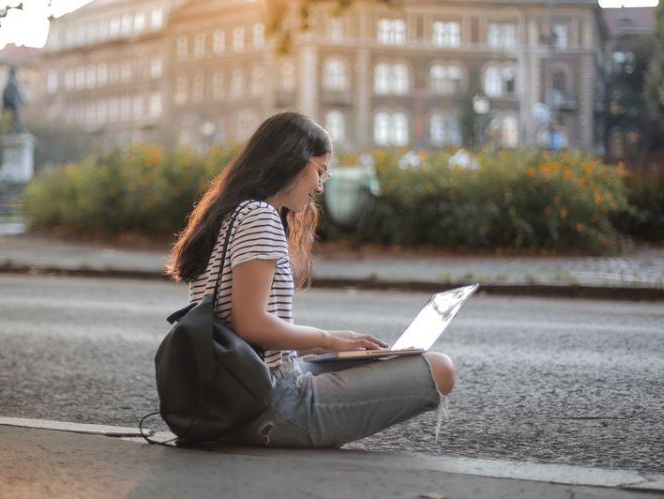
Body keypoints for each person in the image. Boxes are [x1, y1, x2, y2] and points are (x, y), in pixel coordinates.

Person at [166, 111, 455, 447]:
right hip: (265, 406)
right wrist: (330, 341)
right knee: (439, 368)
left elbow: (237, 325)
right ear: (291, 162)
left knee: (373, 360)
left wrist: (330, 340)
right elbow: (251, 325)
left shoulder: (225, 214)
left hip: (233, 393)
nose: (319, 186)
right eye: (319, 171)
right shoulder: (260, 215)